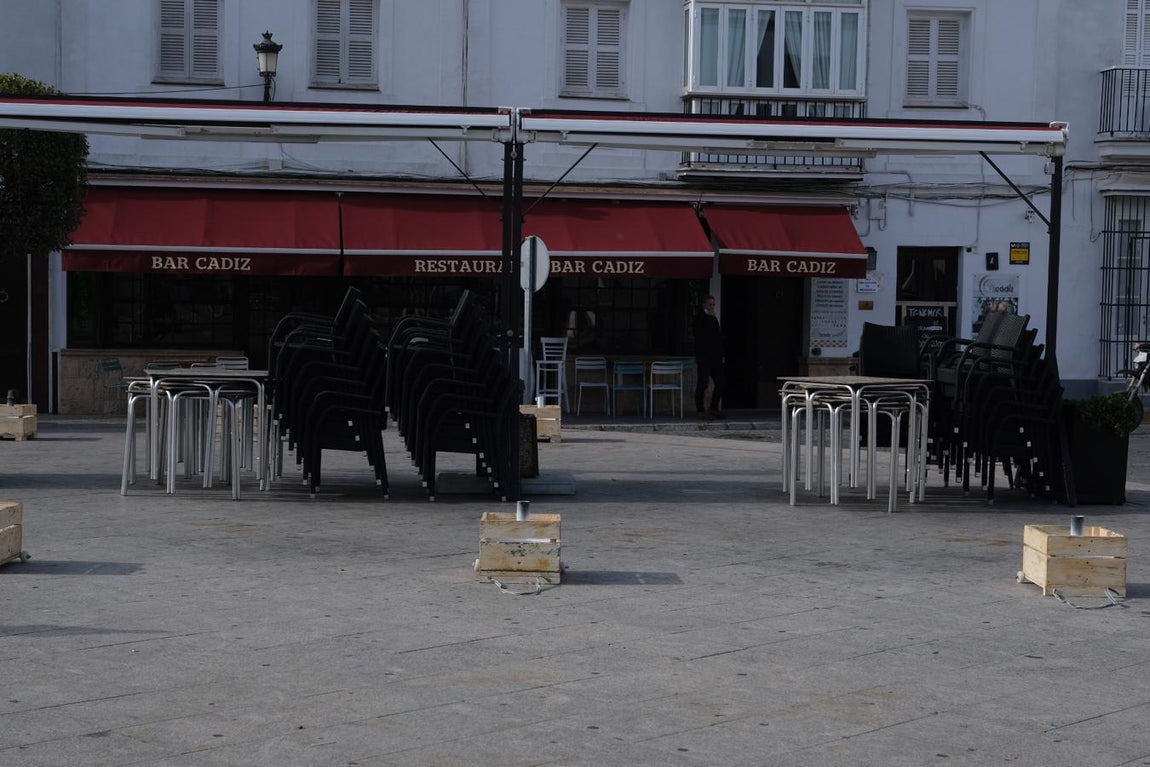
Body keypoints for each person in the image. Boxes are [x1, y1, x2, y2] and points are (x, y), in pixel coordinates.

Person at [693, 294, 725, 419]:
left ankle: (713, 407)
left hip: (716, 358)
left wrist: (721, 354)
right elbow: (699, 335)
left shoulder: (713, 318)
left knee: (721, 382)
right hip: (704, 357)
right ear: (704, 305)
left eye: (713, 305)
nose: (712, 307)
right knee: (703, 383)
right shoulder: (699, 318)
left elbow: (717, 337)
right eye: (710, 304)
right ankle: (700, 409)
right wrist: (707, 317)